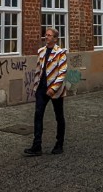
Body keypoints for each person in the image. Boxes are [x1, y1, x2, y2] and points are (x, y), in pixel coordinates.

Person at [24, 27, 67, 156]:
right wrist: (36, 87)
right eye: (46, 35)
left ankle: (59, 144)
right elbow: (39, 70)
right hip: (41, 89)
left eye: (49, 35)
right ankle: (37, 146)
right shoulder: (41, 52)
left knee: (59, 116)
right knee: (38, 115)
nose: (46, 37)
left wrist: (53, 89)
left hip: (55, 91)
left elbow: (62, 73)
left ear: (55, 38)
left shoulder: (60, 53)